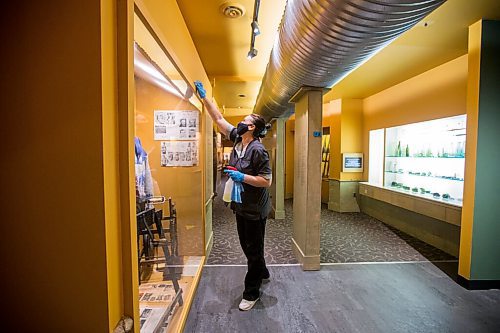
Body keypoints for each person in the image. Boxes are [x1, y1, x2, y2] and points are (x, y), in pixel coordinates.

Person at [194, 81, 272, 311]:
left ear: (252, 128)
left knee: (253, 249)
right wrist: (205, 98)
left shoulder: (258, 150)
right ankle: (263, 270)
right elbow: (218, 119)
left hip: (255, 208)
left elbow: (267, 181)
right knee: (248, 246)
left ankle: (252, 292)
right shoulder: (238, 140)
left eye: (245, 121)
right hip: (240, 205)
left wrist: (241, 176)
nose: (240, 122)